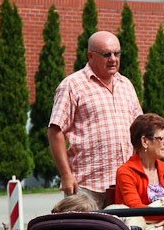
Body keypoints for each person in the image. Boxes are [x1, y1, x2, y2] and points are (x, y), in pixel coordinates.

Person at [49, 31, 142, 209]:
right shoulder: (72, 85)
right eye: (107, 54)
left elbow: (138, 128)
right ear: (91, 56)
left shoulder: (126, 85)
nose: (113, 59)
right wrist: (66, 175)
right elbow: (55, 131)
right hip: (87, 184)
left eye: (117, 53)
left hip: (123, 183)